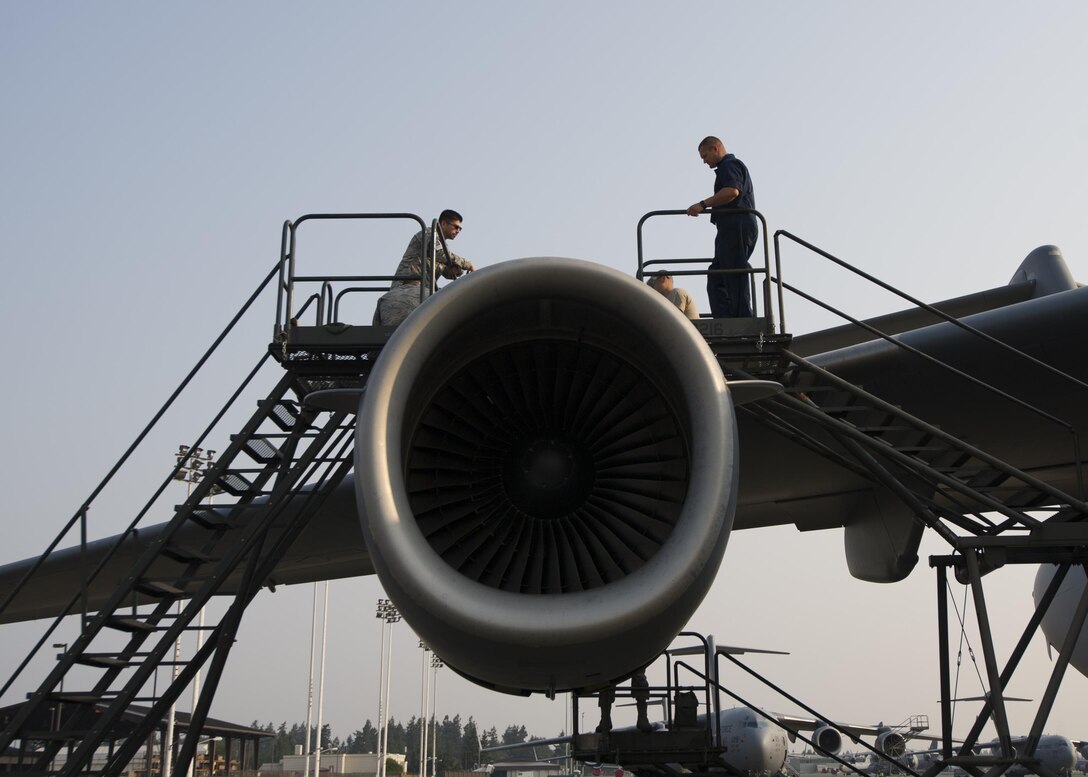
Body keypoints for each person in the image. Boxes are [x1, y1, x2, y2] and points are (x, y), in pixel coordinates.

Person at [686, 137, 757, 318]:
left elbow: (732, 191)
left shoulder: (729, 165)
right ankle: (728, 319)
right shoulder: (728, 167)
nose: (704, 161)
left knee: (733, 273)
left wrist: (703, 204)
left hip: (736, 226)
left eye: (705, 156)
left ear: (715, 148)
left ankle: (742, 320)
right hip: (730, 227)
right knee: (718, 275)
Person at [391, 209, 475, 297]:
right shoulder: (430, 233)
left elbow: (438, 264)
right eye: (456, 227)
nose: (458, 231)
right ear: (443, 223)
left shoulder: (441, 244)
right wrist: (467, 264)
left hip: (420, 288)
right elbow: (439, 253)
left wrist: (455, 271)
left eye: (460, 229)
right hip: (407, 287)